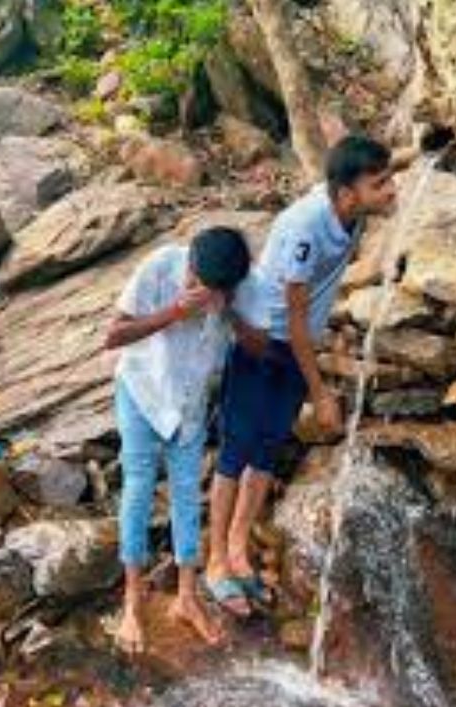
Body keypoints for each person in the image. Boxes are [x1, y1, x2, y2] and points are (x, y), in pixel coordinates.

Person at [205, 135, 397, 616]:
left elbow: (304, 322)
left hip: (296, 341)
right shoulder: (304, 228)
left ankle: (236, 545)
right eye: (382, 184)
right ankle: (213, 562)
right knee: (236, 451)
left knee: (267, 447)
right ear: (347, 194)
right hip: (263, 341)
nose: (393, 190)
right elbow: (292, 319)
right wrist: (321, 393)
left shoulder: (349, 208)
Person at [105, 227, 269, 654]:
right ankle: (132, 603)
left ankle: (187, 598)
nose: (194, 288)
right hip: (141, 392)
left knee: (185, 496)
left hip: (189, 405)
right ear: (190, 262)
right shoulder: (161, 266)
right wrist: (176, 311)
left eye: (207, 288)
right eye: (193, 278)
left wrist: (228, 310)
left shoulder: (241, 288)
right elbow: (113, 336)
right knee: (138, 489)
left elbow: (260, 347)